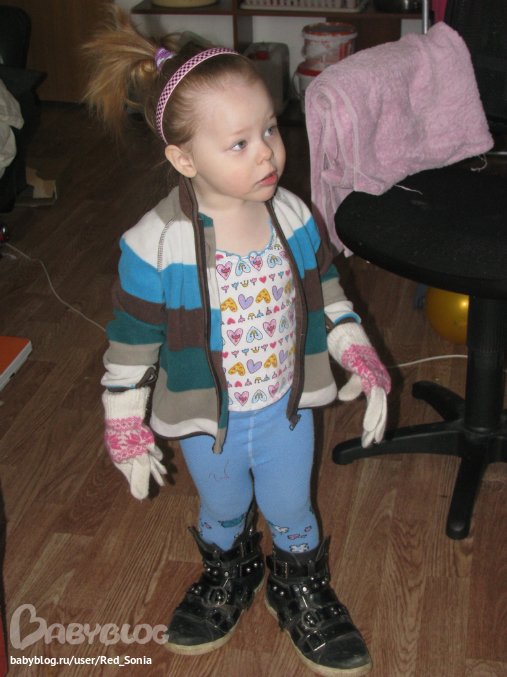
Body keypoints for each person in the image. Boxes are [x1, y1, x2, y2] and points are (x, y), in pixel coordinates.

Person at [83, 8, 391, 676]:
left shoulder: (293, 215)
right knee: (221, 507)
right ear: (183, 157)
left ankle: (298, 585)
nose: (267, 153)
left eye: (270, 130)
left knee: (291, 506)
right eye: (239, 143)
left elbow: (327, 291)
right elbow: (131, 342)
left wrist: (354, 351)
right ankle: (229, 572)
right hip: (208, 420)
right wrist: (124, 423)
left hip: (284, 409)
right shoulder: (154, 243)